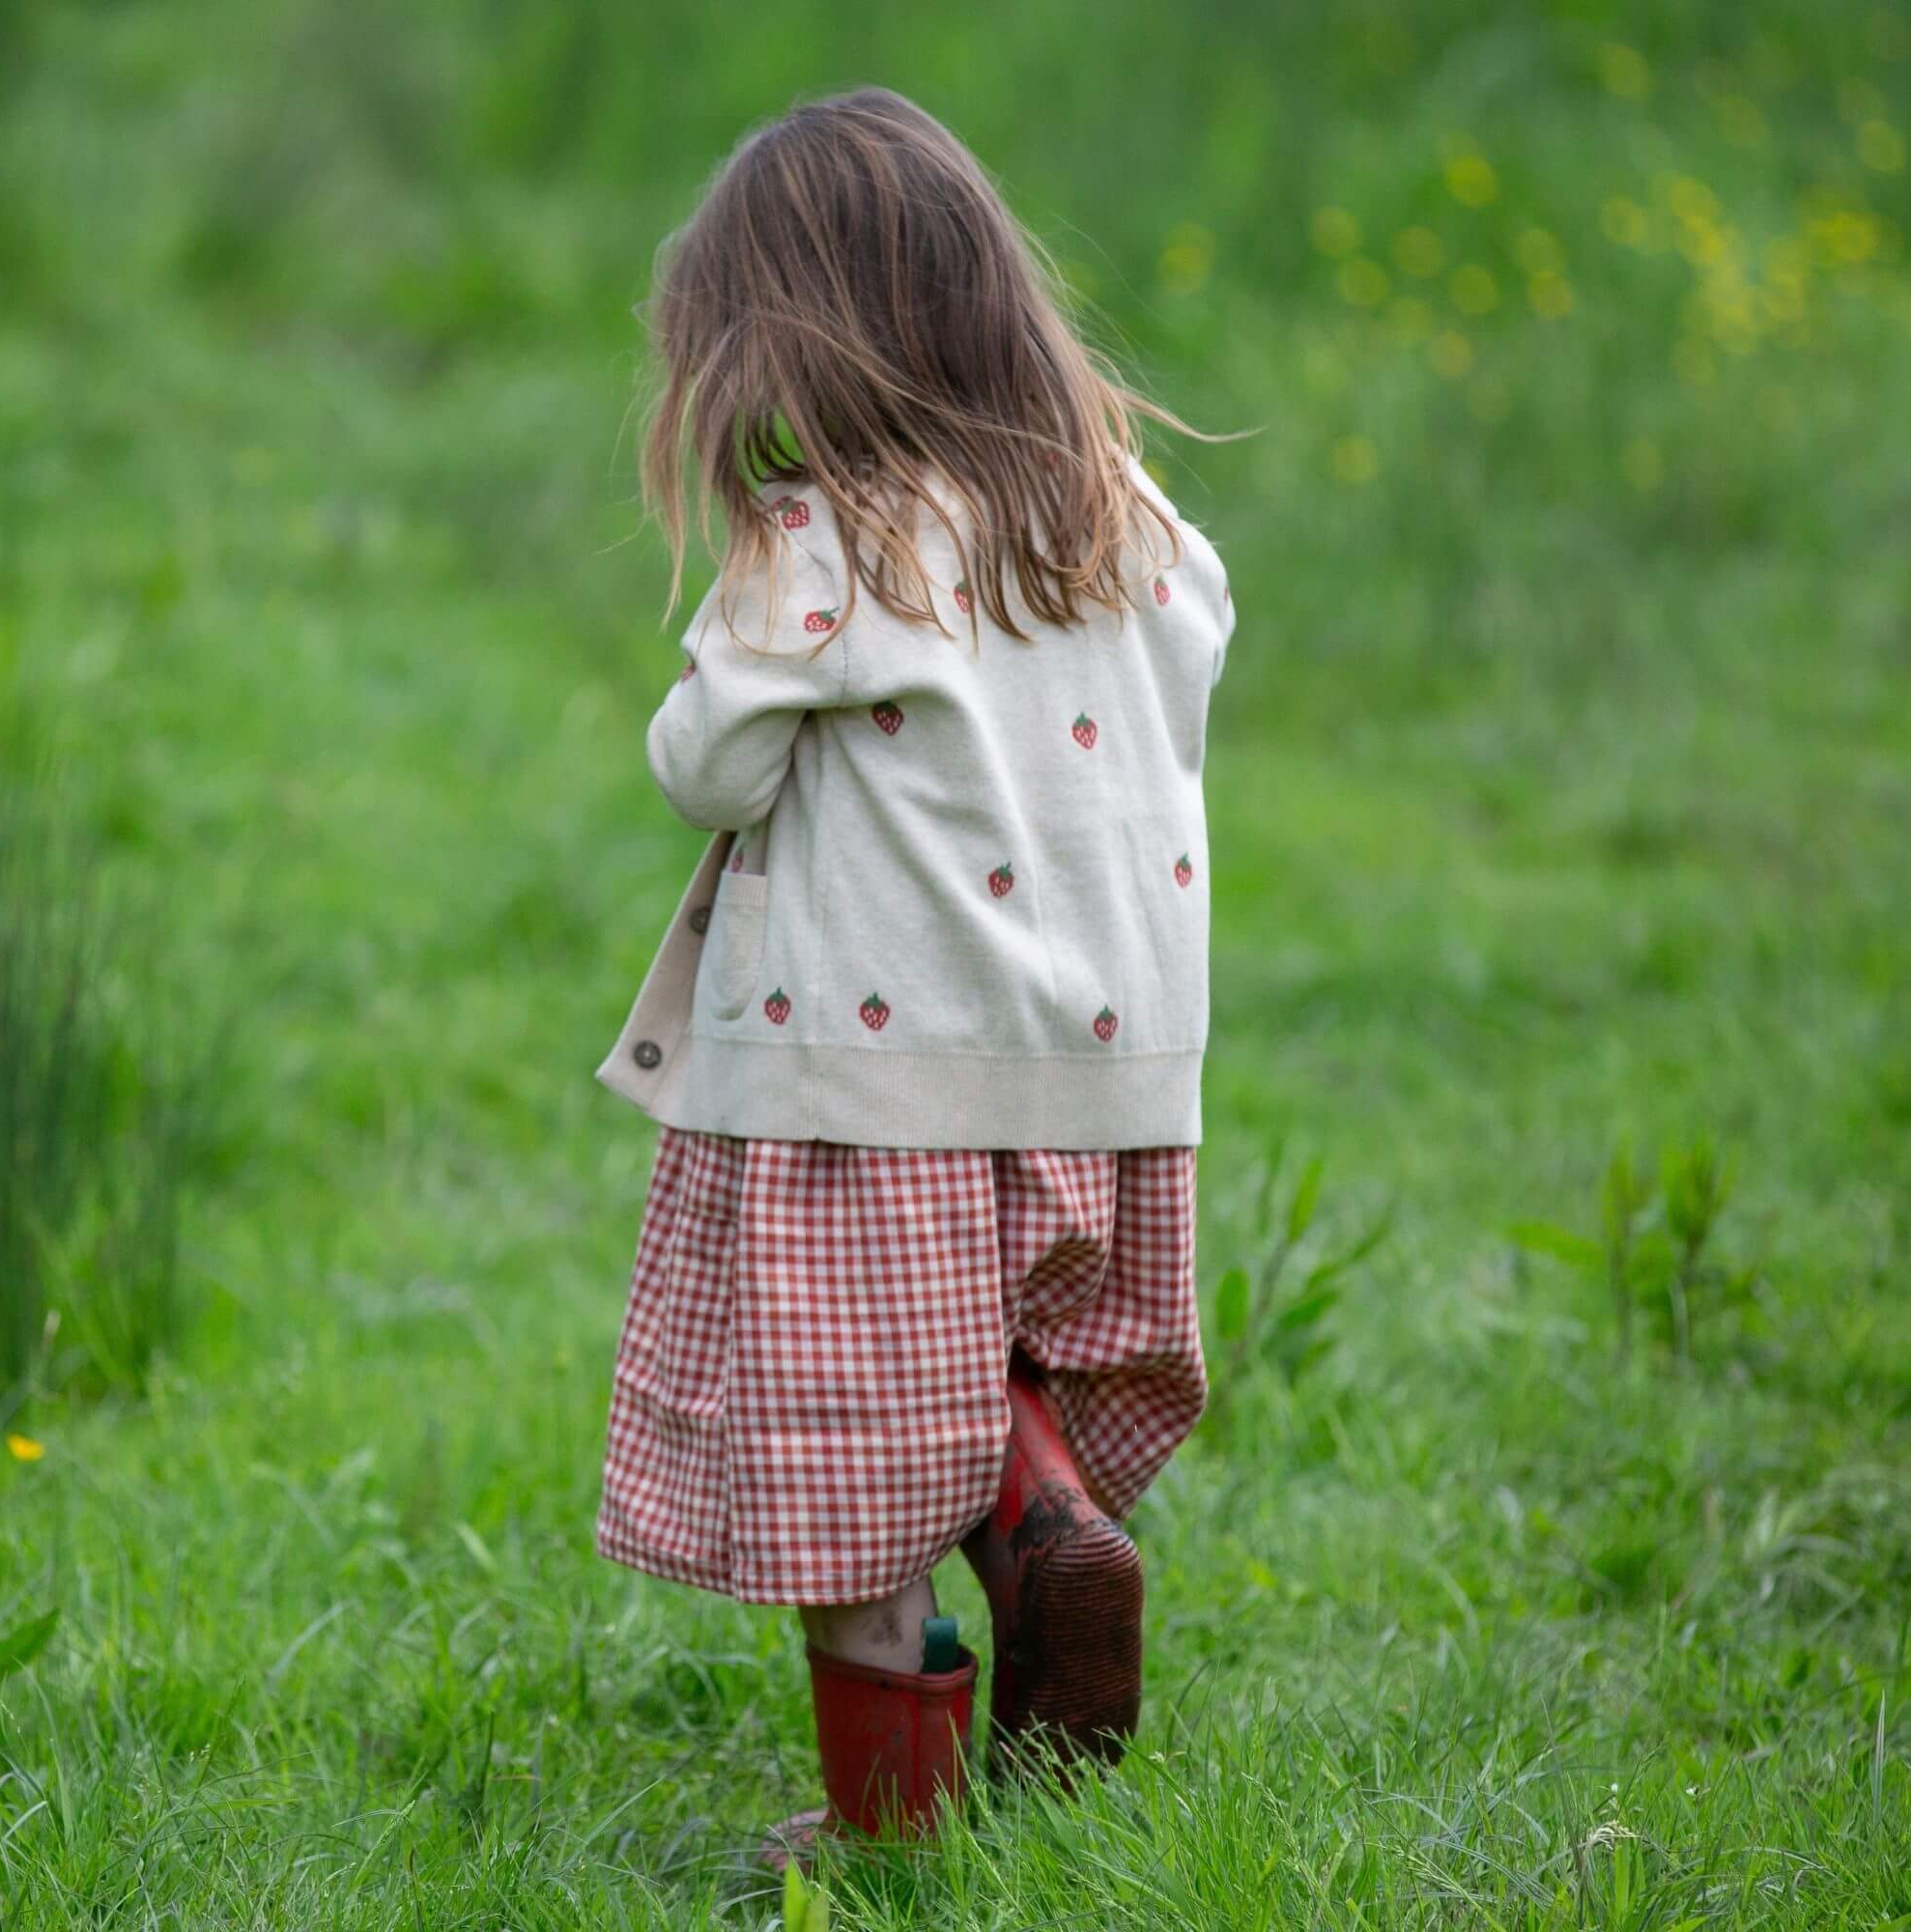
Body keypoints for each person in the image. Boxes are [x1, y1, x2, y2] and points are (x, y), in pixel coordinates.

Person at [593, 86, 1234, 1860]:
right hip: (1108, 1072)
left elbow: (704, 769)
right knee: (981, 1349)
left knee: (846, 1445)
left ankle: (891, 1838)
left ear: (789, 341)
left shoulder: (826, 540)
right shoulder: (1135, 520)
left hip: (868, 1086)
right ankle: (1044, 1521)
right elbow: (1187, 676)